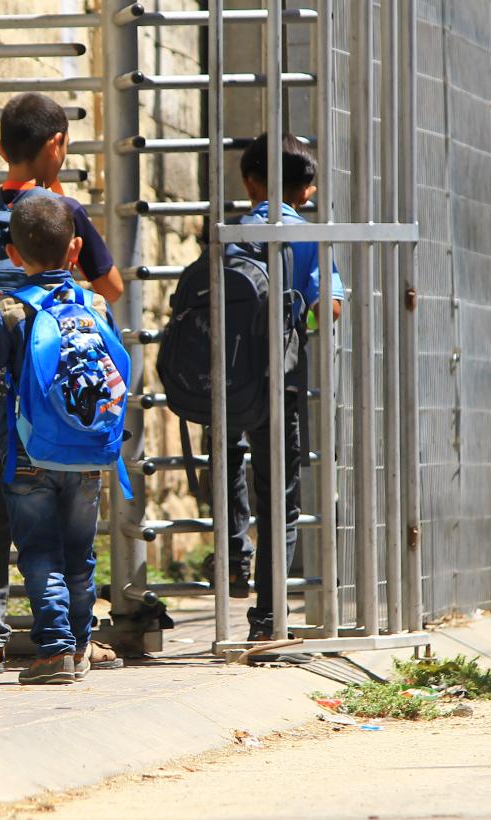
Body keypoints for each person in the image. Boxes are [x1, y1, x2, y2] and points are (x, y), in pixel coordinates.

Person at [0, 93, 124, 674]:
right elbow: (112, 288)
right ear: (56, 144)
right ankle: (76, 642)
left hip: (6, 414)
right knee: (75, 545)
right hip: (72, 427)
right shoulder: (64, 211)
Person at [226, 133, 344, 642]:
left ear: (249, 182)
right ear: (308, 191)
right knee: (280, 496)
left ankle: (234, 550)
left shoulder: (229, 232)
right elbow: (328, 309)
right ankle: (269, 620)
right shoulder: (310, 237)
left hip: (226, 376)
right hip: (281, 379)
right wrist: (303, 316)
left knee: (226, 458)